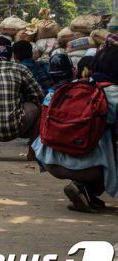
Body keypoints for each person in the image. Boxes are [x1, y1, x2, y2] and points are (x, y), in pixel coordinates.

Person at [32, 40, 118, 212]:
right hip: (84, 165)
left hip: (49, 159)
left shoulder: (70, 86)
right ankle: (84, 187)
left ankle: (87, 193)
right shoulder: (113, 93)